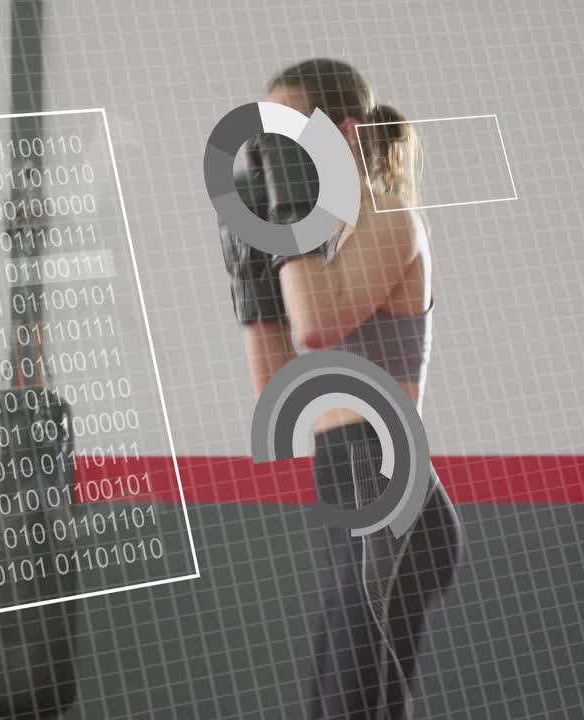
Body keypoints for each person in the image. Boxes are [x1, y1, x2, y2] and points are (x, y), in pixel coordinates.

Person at [225, 58, 465, 719]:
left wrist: (286, 236)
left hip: (391, 507)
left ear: (347, 137)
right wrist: (249, 272)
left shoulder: (392, 221)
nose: (274, 156)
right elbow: (279, 387)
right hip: (350, 506)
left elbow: (316, 325)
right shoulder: (314, 252)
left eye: (290, 135)